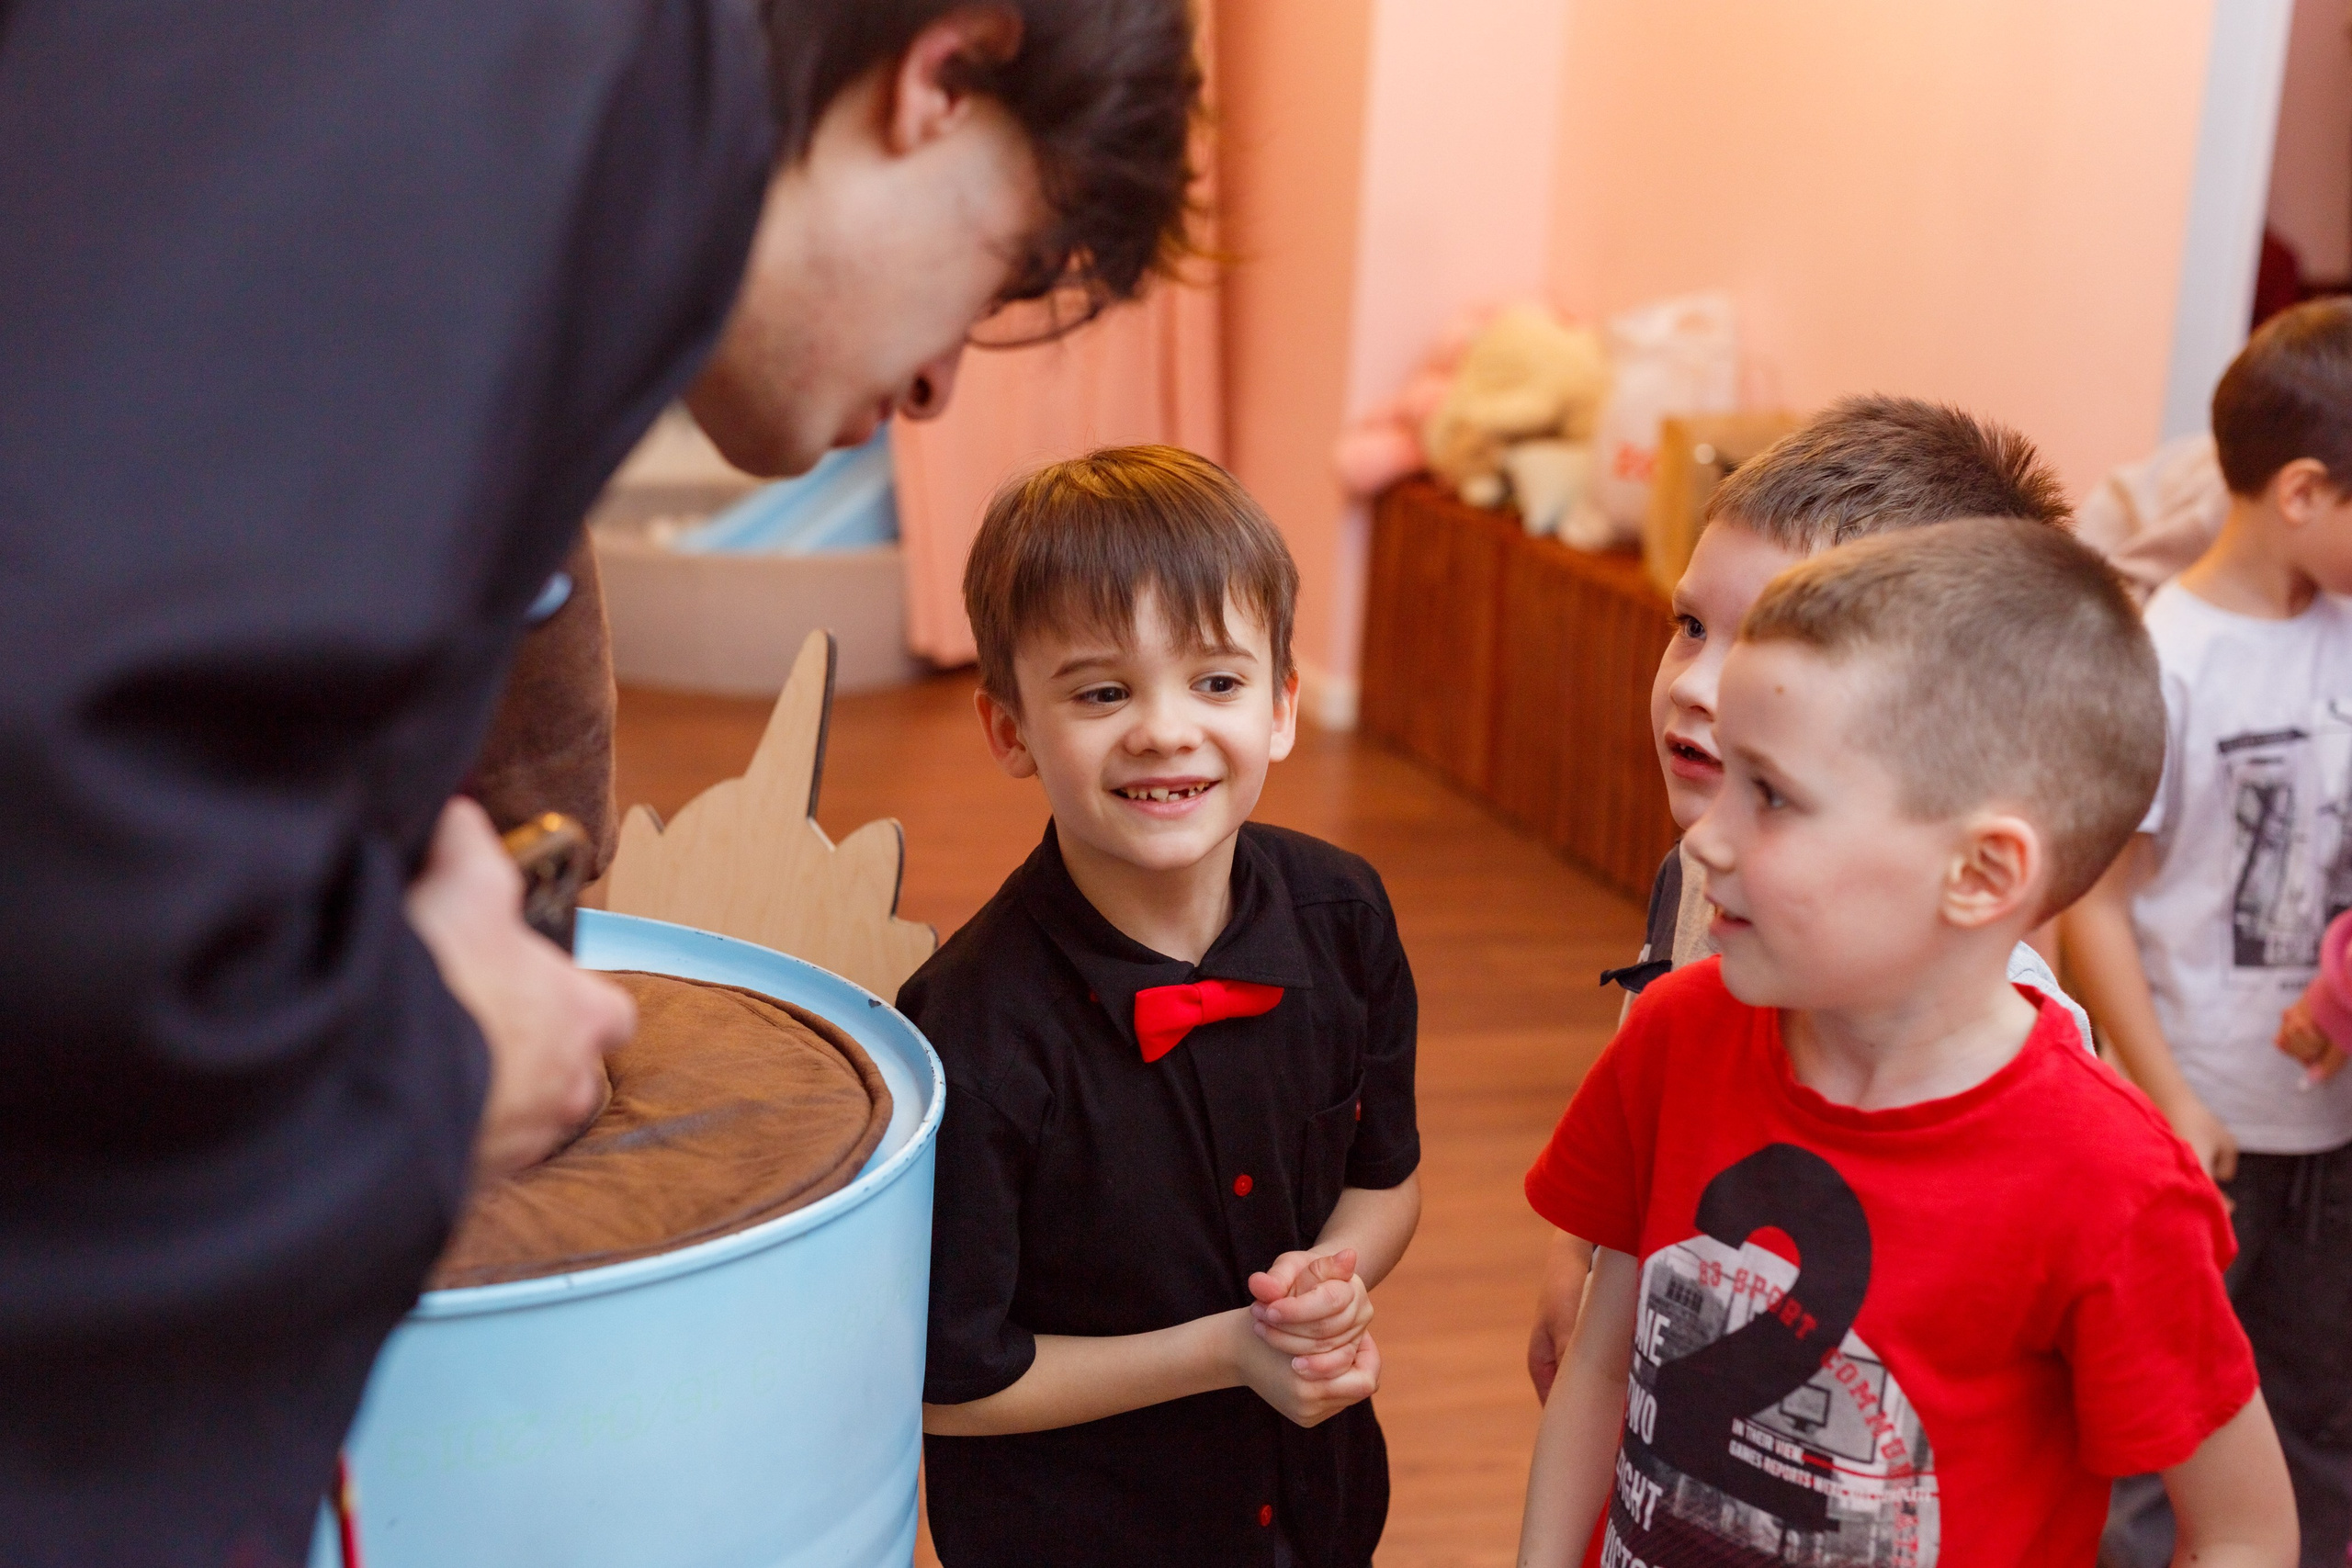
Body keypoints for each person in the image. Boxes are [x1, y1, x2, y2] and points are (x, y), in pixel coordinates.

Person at [0, 3, 1198, 1562]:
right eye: (999, 280)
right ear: (944, 78)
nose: (937, 394)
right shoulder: (450, 124)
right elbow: (72, 826)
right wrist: (435, 1066)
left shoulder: (522, 144)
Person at [1517, 517, 2294, 1567]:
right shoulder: (1673, 1034)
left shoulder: (2113, 1183)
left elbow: (2244, 1530)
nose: (1706, 836)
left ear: (1979, 875)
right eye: (1728, 778)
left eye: (1774, 796)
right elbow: (1601, 1375)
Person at [899, 446, 1421, 1568]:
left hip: (1315, 1508)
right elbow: (947, 1387)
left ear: (1282, 708)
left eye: (1216, 682)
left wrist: (1321, 1291)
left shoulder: (1345, 916)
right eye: (1101, 692)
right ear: (1008, 731)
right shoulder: (972, 1029)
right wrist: (1229, 1352)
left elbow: (1384, 1185)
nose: (1164, 729)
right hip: (1078, 1532)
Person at [1529, 396, 2087, 1404]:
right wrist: (1587, 1247)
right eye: (1689, 625)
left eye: (1766, 651)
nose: (1695, 685)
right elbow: (1649, 1108)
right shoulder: (1698, 871)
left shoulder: (2013, 1042)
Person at [2060, 299, 2352, 1568]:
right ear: (2301, 490)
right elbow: (2098, 898)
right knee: (2153, 1447)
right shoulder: (2165, 659)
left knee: (2321, 1422)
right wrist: (2171, 1094)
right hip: (2198, 1134)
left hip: (2326, 1142)